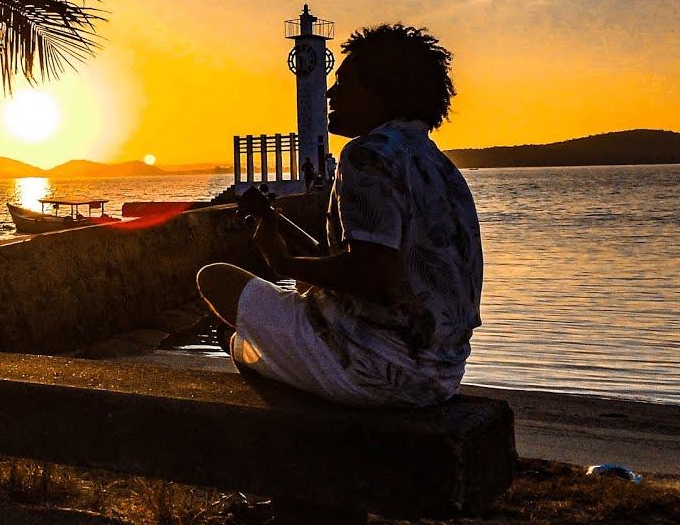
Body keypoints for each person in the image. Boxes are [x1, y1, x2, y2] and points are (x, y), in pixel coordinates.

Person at [198, 23, 482, 408]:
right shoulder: (443, 169)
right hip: (441, 376)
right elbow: (362, 262)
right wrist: (278, 223)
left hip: (375, 368)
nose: (330, 92)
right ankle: (255, 352)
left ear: (380, 92)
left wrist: (280, 261)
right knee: (295, 300)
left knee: (215, 279)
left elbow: (373, 276)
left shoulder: (365, 154)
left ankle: (249, 356)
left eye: (345, 82)